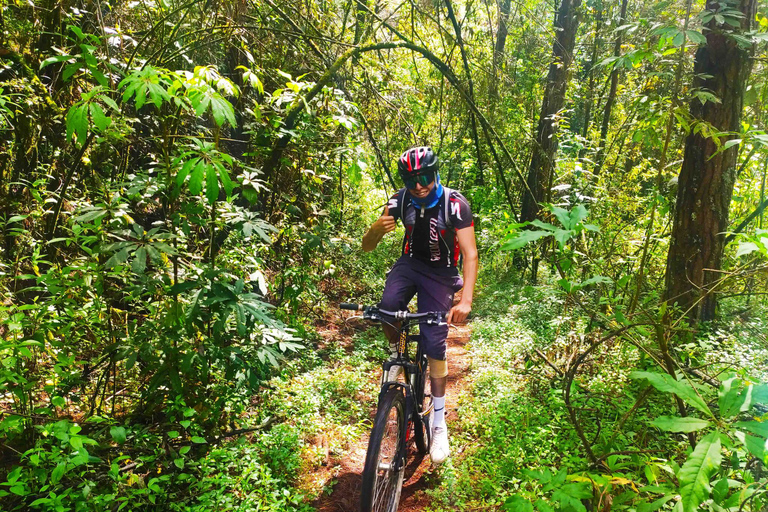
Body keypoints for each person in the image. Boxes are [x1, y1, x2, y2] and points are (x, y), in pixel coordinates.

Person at [362, 146, 478, 465]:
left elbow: (469, 253)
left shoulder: (454, 204)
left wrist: (465, 299)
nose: (419, 185)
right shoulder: (399, 201)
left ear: (435, 173)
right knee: (387, 307)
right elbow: (367, 245)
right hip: (410, 264)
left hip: (441, 274)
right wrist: (374, 230)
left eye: (425, 177)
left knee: (434, 344)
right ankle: (397, 353)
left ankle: (439, 423)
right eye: (411, 179)